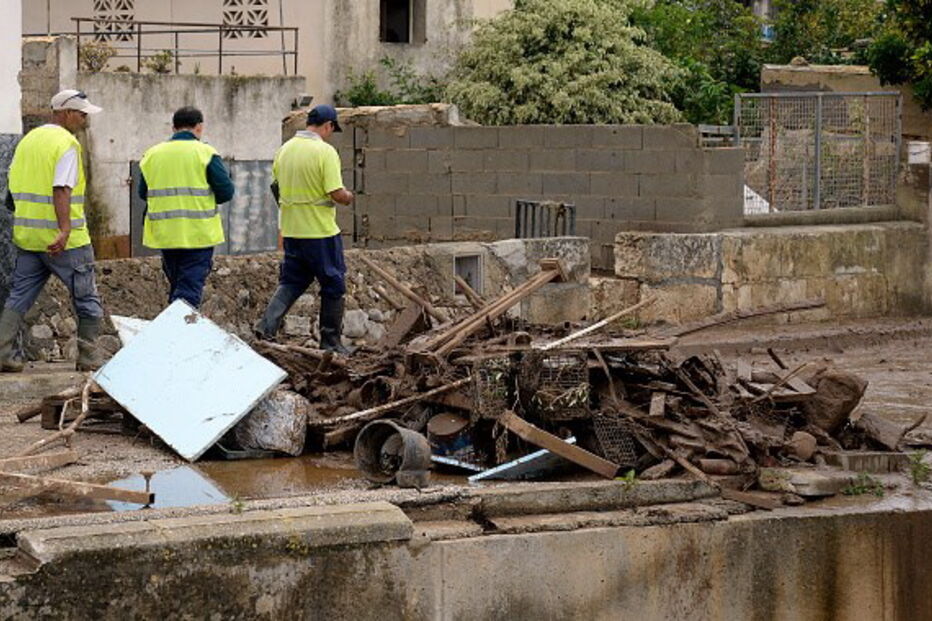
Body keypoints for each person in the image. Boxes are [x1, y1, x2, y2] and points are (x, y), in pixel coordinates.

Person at [0, 89, 105, 373]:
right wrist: (65, 229)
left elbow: (11, 189)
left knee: (19, 295)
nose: (84, 120)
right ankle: (88, 356)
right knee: (86, 295)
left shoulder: (27, 141)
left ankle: (4, 354)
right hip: (65, 242)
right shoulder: (66, 144)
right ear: (67, 113)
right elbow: (62, 189)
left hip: (29, 237)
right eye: (82, 114)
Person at [255, 105, 354, 354]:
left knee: (292, 280)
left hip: (292, 230)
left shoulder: (284, 150)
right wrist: (349, 197)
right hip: (320, 231)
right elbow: (335, 192)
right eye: (332, 129)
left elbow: (276, 188)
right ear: (328, 125)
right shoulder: (325, 152)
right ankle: (330, 341)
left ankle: (266, 327)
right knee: (333, 283)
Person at [138, 106, 234, 309]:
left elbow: (142, 193)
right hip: (197, 234)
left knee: (178, 287)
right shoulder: (206, 153)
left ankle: (172, 332)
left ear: (173, 127)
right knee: (188, 291)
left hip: (165, 234)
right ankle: (178, 335)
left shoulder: (152, 154)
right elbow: (226, 192)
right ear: (199, 127)